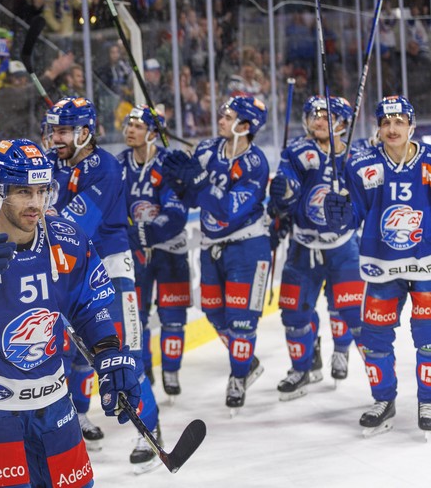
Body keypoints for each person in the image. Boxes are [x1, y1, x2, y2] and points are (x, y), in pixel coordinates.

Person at [0, 137, 143, 486]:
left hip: (53, 405)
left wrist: (108, 352)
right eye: (22, 192)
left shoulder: (68, 239)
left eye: (42, 191)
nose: (35, 204)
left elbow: (90, 306)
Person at [42, 97, 159, 469]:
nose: (55, 137)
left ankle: (151, 434)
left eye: (63, 130)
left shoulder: (105, 168)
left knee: (125, 351)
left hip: (110, 268)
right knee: (72, 353)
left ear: (85, 132)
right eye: (53, 129)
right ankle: (78, 415)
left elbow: (74, 228)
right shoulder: (49, 164)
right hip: (69, 269)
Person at [323, 95, 431, 437]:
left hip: (426, 264)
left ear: (411, 126)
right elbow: (353, 214)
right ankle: (383, 400)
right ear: (378, 128)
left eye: (399, 121)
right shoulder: (362, 163)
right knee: (375, 338)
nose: (392, 128)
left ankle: (427, 399)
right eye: (386, 122)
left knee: (428, 339)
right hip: (382, 266)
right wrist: (340, 213)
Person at [162, 93, 269, 411]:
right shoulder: (208, 149)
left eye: (228, 116)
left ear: (245, 125)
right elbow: (192, 194)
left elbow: (226, 210)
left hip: (248, 247)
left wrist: (197, 183)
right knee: (212, 311)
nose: (220, 120)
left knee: (241, 322)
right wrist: (181, 184)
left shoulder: (255, 164)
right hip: (211, 247)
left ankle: (239, 374)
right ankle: (246, 360)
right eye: (222, 115)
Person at [268, 95, 364, 401]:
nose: (318, 120)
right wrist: (282, 199)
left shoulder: (356, 155)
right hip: (303, 246)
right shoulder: (297, 150)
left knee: (346, 309)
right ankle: (301, 368)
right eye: (314, 114)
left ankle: (341, 350)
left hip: (343, 247)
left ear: (343, 123)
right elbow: (286, 193)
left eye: (326, 115)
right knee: (294, 313)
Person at [119, 106, 190, 404]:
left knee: (173, 317)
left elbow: (176, 213)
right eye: (128, 124)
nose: (130, 130)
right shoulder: (119, 164)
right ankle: (144, 368)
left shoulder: (168, 163)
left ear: (152, 132)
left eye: (137, 125)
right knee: (137, 317)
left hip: (171, 252)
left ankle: (171, 371)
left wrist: (144, 232)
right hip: (136, 254)